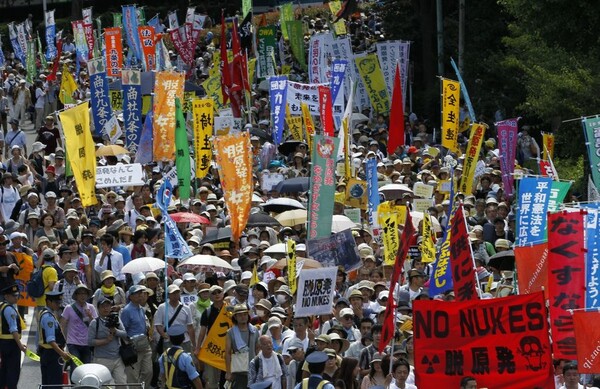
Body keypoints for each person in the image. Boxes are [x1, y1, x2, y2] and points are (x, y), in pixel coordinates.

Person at [87, 296, 128, 385]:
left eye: (108, 306)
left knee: (122, 383)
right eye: (103, 306)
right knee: (105, 385)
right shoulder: (94, 323)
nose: (106, 308)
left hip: (117, 358)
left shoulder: (116, 319)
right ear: (98, 308)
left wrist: (116, 331)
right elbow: (90, 342)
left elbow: (125, 334)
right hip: (101, 359)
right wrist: (105, 341)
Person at [60, 284, 96, 378]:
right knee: (75, 367)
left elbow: (96, 325)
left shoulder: (91, 307)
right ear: (76, 295)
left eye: (84, 293)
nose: (82, 296)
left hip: (87, 343)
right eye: (80, 293)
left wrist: (90, 316)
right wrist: (64, 341)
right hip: (73, 343)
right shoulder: (69, 308)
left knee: (86, 368)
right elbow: (62, 325)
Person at [120, 284, 153, 385]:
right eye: (138, 293)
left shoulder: (141, 308)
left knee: (148, 372)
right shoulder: (127, 311)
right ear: (131, 296)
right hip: (133, 347)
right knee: (133, 375)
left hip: (145, 345)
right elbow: (123, 330)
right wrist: (129, 343)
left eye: (141, 293)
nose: (141, 295)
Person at [37, 290, 71, 386]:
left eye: (60, 302)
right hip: (52, 354)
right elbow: (51, 340)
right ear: (48, 302)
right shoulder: (48, 317)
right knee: (54, 384)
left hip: (47, 353)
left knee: (48, 383)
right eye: (56, 302)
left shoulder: (45, 312)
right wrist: (62, 354)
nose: (59, 305)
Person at [225, 304, 260, 389]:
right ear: (235, 317)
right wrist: (228, 372)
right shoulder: (230, 332)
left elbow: (258, 349)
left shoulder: (254, 330)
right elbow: (227, 353)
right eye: (240, 315)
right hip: (238, 371)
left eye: (245, 314)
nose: (243, 317)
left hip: (253, 370)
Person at [158, 324, 203, 389]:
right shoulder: (185, 357)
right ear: (184, 338)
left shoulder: (163, 355)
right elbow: (195, 378)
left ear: (170, 339)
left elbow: (162, 375)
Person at [0, 284, 27, 389]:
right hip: (11, 344)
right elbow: (13, 329)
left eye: (17, 295)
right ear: (6, 296)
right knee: (13, 372)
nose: (16, 297)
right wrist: (20, 345)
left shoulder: (2, 306)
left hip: (4, 343)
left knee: (4, 370)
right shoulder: (9, 309)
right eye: (13, 295)